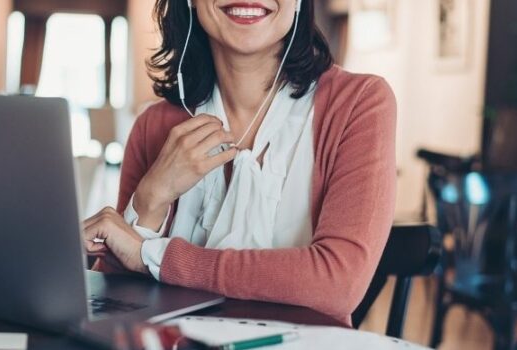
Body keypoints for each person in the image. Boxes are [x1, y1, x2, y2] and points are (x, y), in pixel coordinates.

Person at [82, 0, 396, 325]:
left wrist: (154, 256)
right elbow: (114, 305)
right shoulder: (153, 125)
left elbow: (338, 285)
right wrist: (151, 197)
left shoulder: (360, 103)